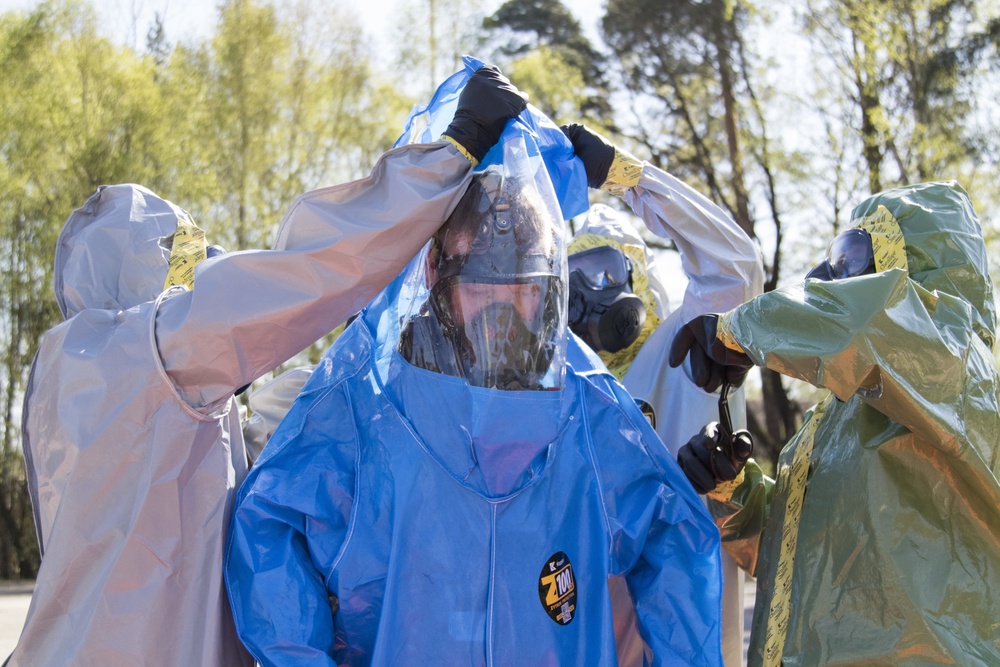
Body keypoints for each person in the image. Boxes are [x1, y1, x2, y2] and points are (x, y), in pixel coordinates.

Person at [9, 65, 527, 667]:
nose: (197, 282)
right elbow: (313, 269)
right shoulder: (153, 352)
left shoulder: (65, 369)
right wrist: (453, 152)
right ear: (142, 272)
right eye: (185, 268)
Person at [223, 118, 725, 664]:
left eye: (523, 287)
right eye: (481, 284)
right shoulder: (365, 406)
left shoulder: (587, 410)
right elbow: (269, 524)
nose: (500, 311)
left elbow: (676, 536)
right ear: (435, 273)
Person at [668, 181, 1000, 666]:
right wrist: (733, 490)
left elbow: (874, 324)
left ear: (916, 264)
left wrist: (742, 330)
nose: (828, 274)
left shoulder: (960, 366)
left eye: (852, 255)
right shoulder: (841, 414)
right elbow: (801, 562)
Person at [560, 125, 764, 667]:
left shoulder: (689, 352)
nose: (589, 297)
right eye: (570, 282)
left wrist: (627, 177)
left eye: (604, 272)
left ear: (637, 274)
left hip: (688, 637)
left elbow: (735, 261)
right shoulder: (561, 385)